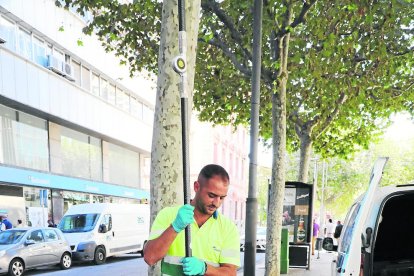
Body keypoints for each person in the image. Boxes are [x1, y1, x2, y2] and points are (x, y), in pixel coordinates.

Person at [144, 164, 240, 275]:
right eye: (211, 195)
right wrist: (174, 227)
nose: (217, 203)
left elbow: (230, 273)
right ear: (196, 187)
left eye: (222, 197)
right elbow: (150, 257)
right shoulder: (168, 215)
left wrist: (204, 268)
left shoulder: (228, 228)